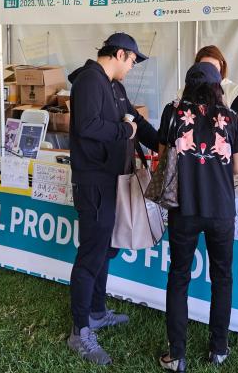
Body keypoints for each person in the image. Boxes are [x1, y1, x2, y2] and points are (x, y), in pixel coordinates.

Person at [67, 32, 159, 365]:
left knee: (106, 248)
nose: (132, 68)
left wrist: (164, 140)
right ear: (120, 54)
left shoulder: (114, 86)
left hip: (113, 180)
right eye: (132, 61)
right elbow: (88, 126)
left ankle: (96, 311)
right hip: (93, 182)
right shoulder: (90, 80)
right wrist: (125, 131)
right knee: (91, 253)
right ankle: (80, 331)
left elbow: (137, 121)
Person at [158, 62, 238, 372]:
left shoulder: (173, 114)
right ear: (217, 86)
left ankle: (177, 354)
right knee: (222, 277)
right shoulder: (232, 118)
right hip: (221, 210)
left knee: (179, 276)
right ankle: (218, 348)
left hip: (184, 208)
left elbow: (162, 155)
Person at [178, 45, 238, 123]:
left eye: (213, 67)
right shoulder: (184, 91)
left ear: (222, 65)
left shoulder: (234, 91)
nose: (209, 72)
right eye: (204, 67)